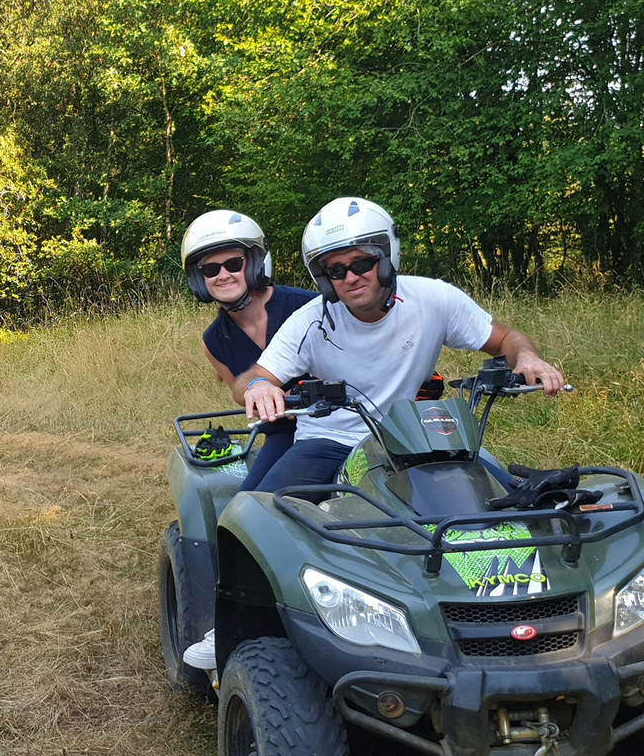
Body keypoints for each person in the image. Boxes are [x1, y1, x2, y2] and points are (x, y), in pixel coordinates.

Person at [183, 197, 565, 671]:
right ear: (324, 278)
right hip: (330, 438)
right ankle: (243, 633)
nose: (351, 276)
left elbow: (505, 337)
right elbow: (258, 375)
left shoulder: (434, 299)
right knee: (249, 517)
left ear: (387, 257)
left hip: (417, 436)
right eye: (336, 269)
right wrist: (261, 388)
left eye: (363, 261)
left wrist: (526, 358)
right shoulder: (311, 320)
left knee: (518, 504)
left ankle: (527, 617)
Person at [180, 209, 316, 491]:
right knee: (250, 506)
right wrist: (266, 398)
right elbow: (240, 393)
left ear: (255, 263)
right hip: (285, 433)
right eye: (210, 269)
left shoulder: (307, 307)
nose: (223, 275)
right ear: (199, 278)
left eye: (233, 263)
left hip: (343, 422)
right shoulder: (214, 340)